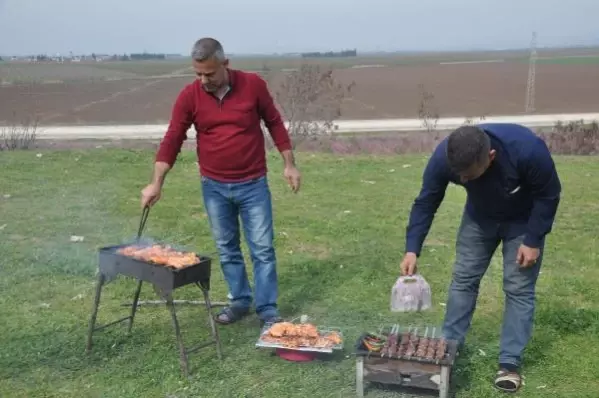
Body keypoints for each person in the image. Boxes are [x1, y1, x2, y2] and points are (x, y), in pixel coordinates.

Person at [140, 37, 301, 327]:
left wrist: (289, 164)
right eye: (198, 74)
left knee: (262, 248)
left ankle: (267, 310)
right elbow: (173, 138)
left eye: (209, 74)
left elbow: (274, 122)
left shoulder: (253, 85)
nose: (203, 80)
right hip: (214, 186)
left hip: (253, 184)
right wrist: (156, 183)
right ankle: (240, 301)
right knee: (227, 247)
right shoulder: (190, 96)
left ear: (225, 65)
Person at [399, 123, 561, 393]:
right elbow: (427, 201)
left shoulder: (527, 151)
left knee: (518, 288)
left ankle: (509, 363)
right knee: (463, 279)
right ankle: (449, 349)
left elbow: (549, 194)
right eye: (458, 174)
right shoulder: (445, 157)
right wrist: (412, 248)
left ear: (491, 157)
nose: (462, 180)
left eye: (468, 175)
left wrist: (533, 239)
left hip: (522, 221)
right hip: (479, 219)